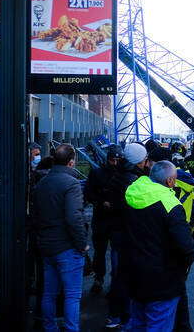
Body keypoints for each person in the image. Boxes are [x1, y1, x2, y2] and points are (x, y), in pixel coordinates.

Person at [123, 160, 194, 332]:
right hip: (162, 279)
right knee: (158, 324)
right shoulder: (170, 204)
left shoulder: (132, 193)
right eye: (175, 180)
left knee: (138, 322)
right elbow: (186, 246)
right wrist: (183, 268)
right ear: (169, 182)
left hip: (133, 272)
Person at [31, 143, 87, 332]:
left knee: (49, 293)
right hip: (67, 247)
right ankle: (72, 329)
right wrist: (82, 245)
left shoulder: (42, 182)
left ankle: (50, 327)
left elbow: (35, 216)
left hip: (46, 246)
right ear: (72, 162)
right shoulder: (71, 184)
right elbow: (74, 218)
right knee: (72, 295)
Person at [105, 142, 151, 330]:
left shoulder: (118, 175)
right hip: (130, 235)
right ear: (140, 161)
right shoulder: (134, 181)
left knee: (119, 275)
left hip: (117, 232)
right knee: (129, 277)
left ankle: (116, 315)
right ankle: (126, 317)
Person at [85, 143, 125, 294]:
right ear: (108, 159)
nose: (114, 164)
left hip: (115, 218)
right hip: (103, 217)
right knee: (100, 251)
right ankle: (99, 278)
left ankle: (114, 280)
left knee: (116, 252)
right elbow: (89, 193)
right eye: (112, 160)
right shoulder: (97, 174)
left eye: (117, 161)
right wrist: (101, 202)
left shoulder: (121, 175)